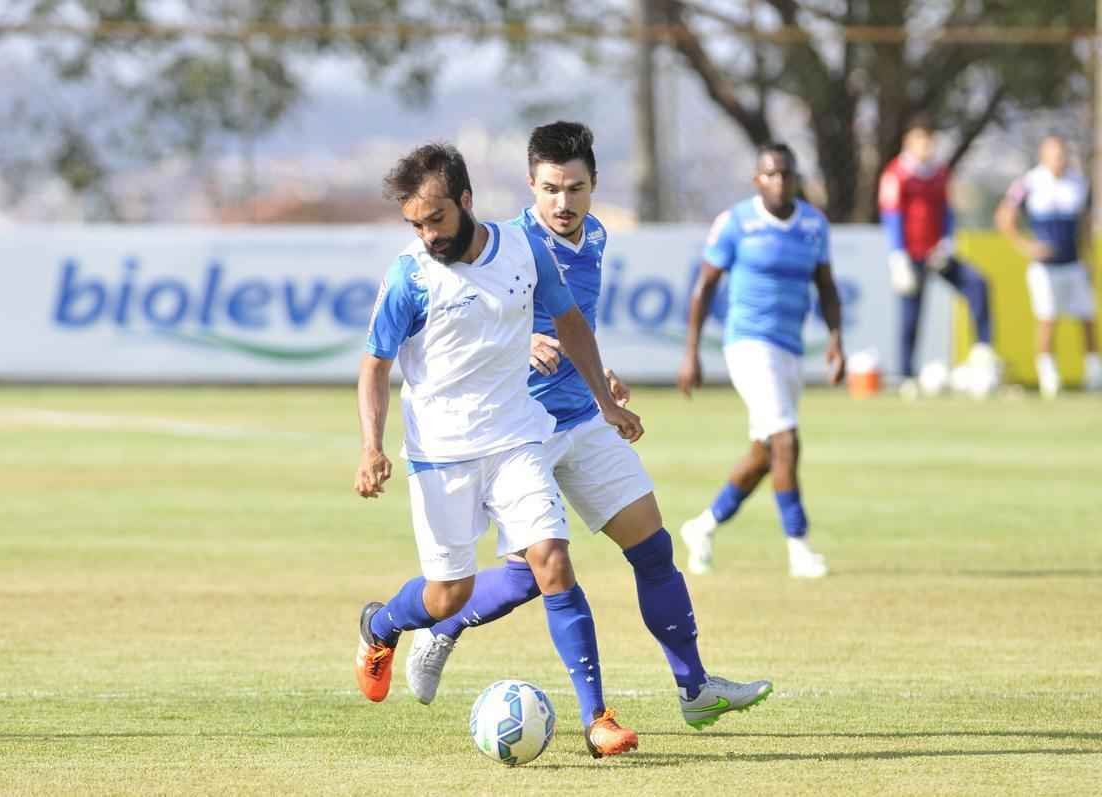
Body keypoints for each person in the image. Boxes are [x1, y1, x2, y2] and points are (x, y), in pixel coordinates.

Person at [404, 121, 773, 729]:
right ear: (530, 184)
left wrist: (604, 382)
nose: (563, 203)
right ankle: (443, 624)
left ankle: (695, 688)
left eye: (575, 188)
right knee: (531, 578)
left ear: (593, 185)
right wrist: (520, 341)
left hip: (584, 415)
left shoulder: (596, 236)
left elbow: (578, 325)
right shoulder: (503, 246)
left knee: (654, 547)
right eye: (550, 188)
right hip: (517, 429)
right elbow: (456, 318)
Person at [354, 142, 643, 758]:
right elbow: (374, 366)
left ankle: (598, 719)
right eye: (416, 224)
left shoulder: (523, 246)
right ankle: (381, 625)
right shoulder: (410, 276)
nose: (428, 234)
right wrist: (371, 448)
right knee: (446, 597)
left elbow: (570, 323)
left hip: (516, 436)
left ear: (466, 201)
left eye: (436, 219)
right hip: (442, 454)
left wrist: (606, 401)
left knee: (552, 561)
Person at [676, 143, 844, 579]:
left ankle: (703, 526)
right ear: (757, 180)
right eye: (771, 174)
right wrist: (692, 351)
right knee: (787, 440)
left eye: (787, 174)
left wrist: (836, 339)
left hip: (789, 347)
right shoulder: (737, 223)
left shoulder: (813, 224)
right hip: (749, 345)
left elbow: (826, 286)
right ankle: (799, 545)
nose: (780, 182)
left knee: (766, 453)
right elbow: (704, 287)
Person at [878, 116, 997, 395]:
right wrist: (897, 256)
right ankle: (905, 374)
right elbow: (892, 215)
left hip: (937, 253)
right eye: (921, 140)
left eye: (930, 141)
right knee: (911, 313)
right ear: (909, 142)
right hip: (910, 255)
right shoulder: (896, 173)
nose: (926, 146)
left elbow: (947, 211)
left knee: (977, 284)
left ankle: (983, 351)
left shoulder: (940, 173)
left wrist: (946, 243)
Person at [994, 134, 1102, 397]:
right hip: (1044, 267)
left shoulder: (1079, 182)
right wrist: (1026, 246)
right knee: (1048, 319)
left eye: (1062, 153)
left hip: (1074, 263)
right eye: (1053, 154)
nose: (1058, 159)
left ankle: (1094, 373)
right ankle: (1048, 376)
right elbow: (1004, 216)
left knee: (1087, 317)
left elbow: (1085, 224)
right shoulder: (1029, 182)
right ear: (1043, 155)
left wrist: (1087, 258)